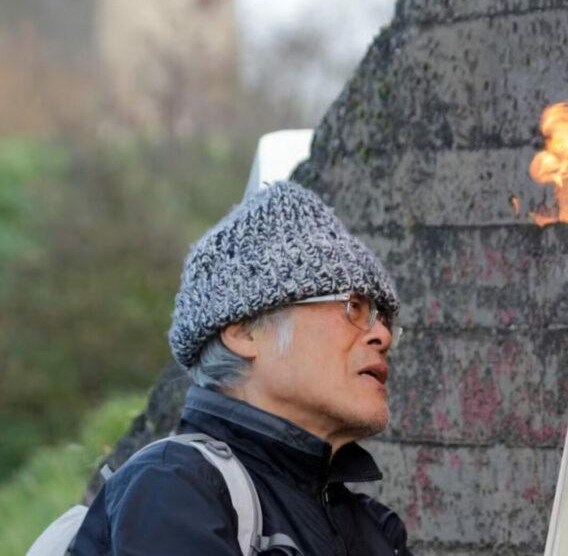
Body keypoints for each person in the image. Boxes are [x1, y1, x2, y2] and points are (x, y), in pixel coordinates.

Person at [71, 181, 413, 555]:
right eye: (354, 307)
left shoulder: (376, 532)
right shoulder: (172, 489)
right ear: (243, 332)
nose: (382, 335)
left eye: (383, 318)